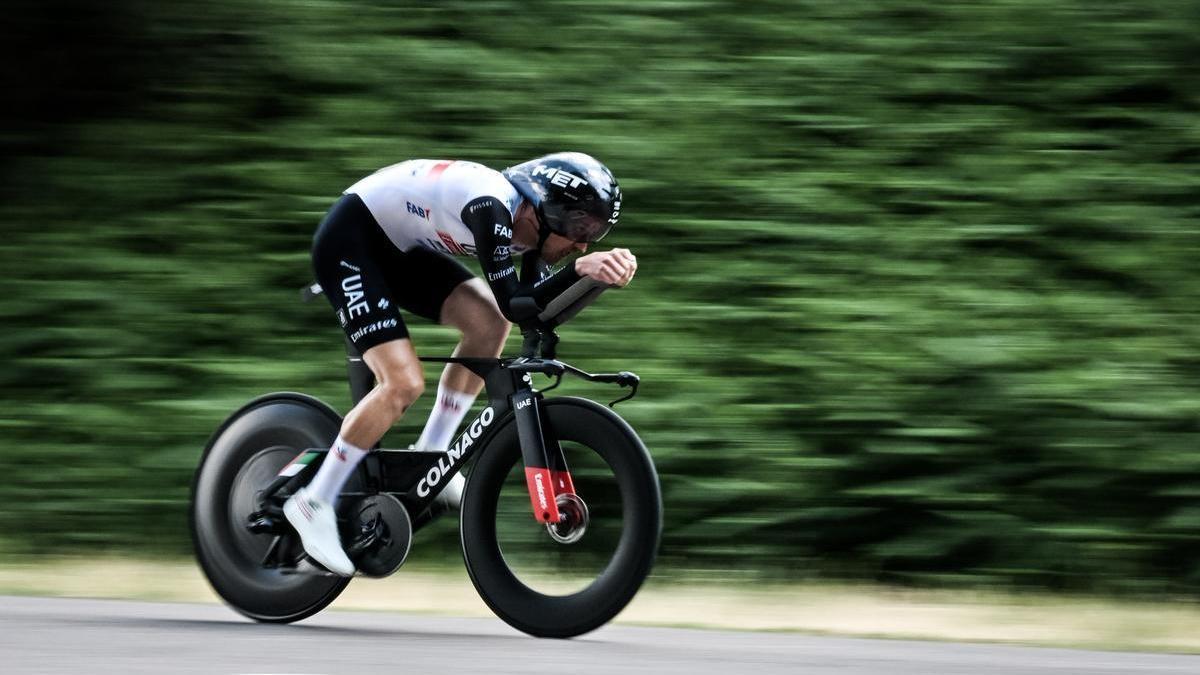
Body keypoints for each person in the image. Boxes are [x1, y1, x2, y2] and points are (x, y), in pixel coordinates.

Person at [283, 152, 637, 575]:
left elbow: (528, 312)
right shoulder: (491, 207)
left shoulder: (534, 228)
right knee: (403, 384)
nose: (583, 243)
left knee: (489, 323)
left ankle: (432, 453)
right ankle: (313, 500)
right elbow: (517, 301)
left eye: (596, 234)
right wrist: (581, 269)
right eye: (582, 228)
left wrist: (592, 279)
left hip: (398, 249)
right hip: (350, 242)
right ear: (549, 210)